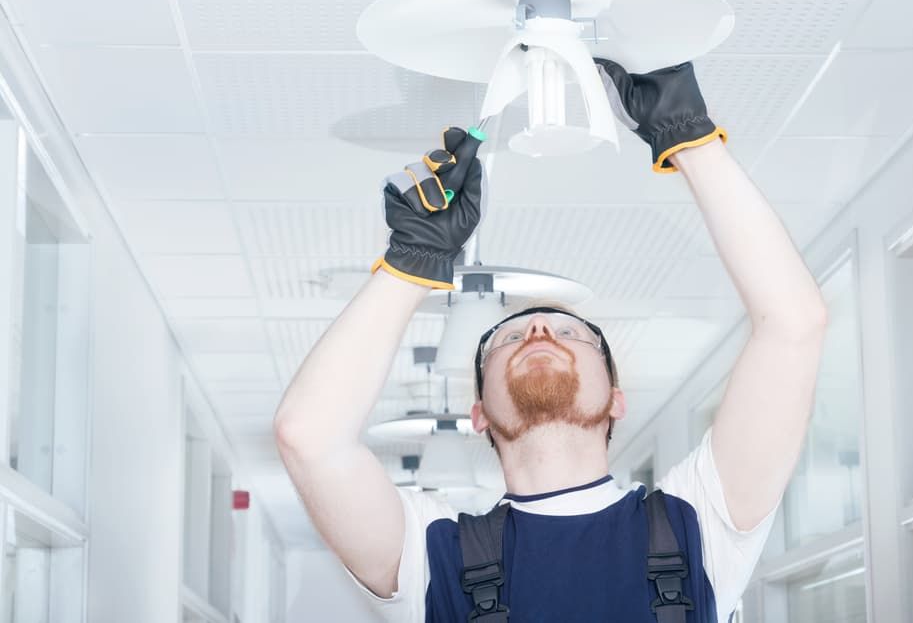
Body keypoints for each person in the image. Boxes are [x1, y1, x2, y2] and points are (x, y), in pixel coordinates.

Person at [273, 58, 829, 622]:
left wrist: (690, 141)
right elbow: (309, 437)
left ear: (617, 398)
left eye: (570, 332)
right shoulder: (428, 553)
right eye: (509, 338)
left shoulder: (699, 521)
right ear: (480, 413)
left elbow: (794, 325)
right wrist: (410, 264)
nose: (538, 328)